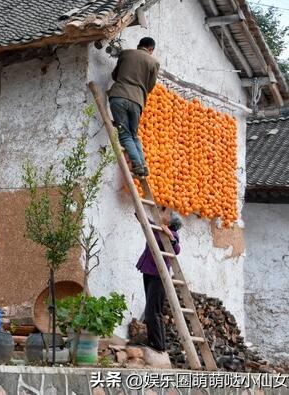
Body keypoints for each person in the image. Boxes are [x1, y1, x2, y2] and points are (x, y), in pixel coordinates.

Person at [108, 37, 160, 177]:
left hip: (119, 96)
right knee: (133, 135)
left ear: (139, 45)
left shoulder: (125, 54)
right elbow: (150, 87)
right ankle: (142, 165)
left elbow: (115, 75)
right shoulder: (153, 62)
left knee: (124, 135)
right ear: (151, 49)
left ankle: (137, 164)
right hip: (137, 101)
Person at [135, 207, 182, 352]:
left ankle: (158, 344)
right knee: (152, 309)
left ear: (170, 222)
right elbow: (143, 219)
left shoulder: (171, 234)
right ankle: (155, 342)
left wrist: (172, 237)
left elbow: (177, 249)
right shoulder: (156, 229)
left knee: (153, 310)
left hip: (159, 275)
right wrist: (137, 206)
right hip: (149, 271)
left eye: (166, 215)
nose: (163, 216)